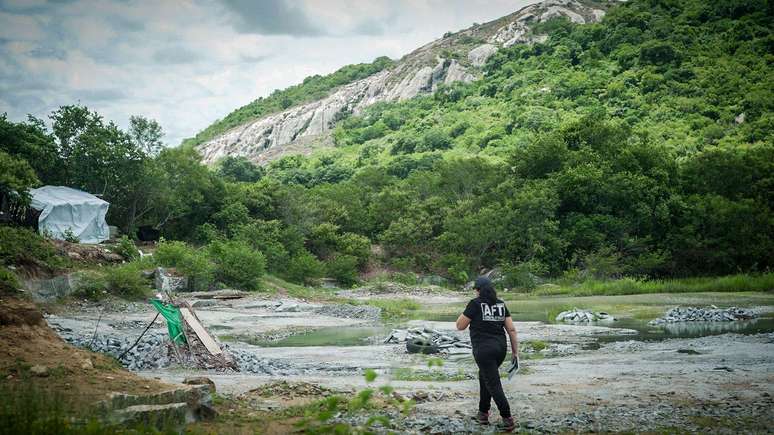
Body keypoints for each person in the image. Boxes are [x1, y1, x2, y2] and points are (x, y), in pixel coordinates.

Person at [456, 276, 518, 432]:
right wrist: (515, 352)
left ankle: (507, 418)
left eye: (475, 290)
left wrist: (467, 311)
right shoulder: (500, 304)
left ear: (478, 290)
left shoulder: (475, 304)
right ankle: (483, 413)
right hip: (500, 349)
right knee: (484, 376)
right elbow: (511, 329)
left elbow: (460, 326)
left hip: (484, 350)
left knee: (493, 383)